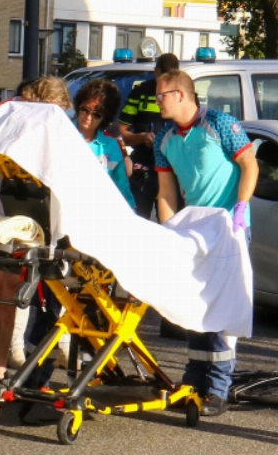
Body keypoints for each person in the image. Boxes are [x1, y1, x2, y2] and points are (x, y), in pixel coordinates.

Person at [153, 68, 258, 416]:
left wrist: (241, 207)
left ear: (181, 94)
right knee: (194, 304)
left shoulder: (220, 124)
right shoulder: (164, 138)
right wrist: (168, 230)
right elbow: (166, 191)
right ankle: (195, 380)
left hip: (228, 227)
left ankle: (218, 388)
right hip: (195, 231)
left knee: (223, 306)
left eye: (161, 95)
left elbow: (250, 165)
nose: (157, 101)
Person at [0, 76, 73, 397]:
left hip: (29, 217)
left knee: (8, 295)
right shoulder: (3, 113)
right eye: (54, 109)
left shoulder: (53, 126)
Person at [120, 53, 179, 218]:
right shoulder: (140, 93)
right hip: (143, 171)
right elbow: (122, 132)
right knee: (138, 222)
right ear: (156, 71)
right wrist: (142, 138)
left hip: (173, 170)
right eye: (162, 76)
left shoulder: (184, 95)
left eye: (171, 77)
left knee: (171, 225)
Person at [74, 78, 136, 209]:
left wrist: (131, 212)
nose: (88, 117)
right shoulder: (60, 134)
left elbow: (121, 188)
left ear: (105, 117)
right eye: (85, 109)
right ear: (78, 105)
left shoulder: (112, 145)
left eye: (97, 114)